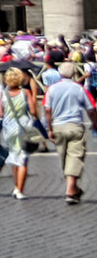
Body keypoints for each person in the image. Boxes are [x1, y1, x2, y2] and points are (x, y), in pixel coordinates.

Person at [44, 60, 94, 205]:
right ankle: (72, 190)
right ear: (74, 73)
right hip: (75, 125)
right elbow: (91, 108)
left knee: (64, 158)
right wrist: (95, 123)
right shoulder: (79, 88)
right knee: (74, 157)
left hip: (58, 126)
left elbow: (47, 110)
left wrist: (49, 128)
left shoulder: (51, 89)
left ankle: (71, 189)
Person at [0, 67, 37, 199]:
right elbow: (33, 111)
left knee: (14, 156)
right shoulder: (25, 93)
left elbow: (1, 113)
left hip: (8, 128)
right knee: (23, 159)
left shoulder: (4, 93)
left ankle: (15, 186)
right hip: (23, 127)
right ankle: (20, 189)